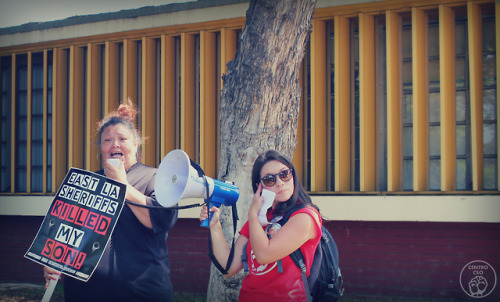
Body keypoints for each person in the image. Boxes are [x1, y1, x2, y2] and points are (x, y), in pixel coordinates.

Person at [44, 102, 178, 302]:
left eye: (122, 139)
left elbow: (161, 220)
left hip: (141, 293)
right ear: (101, 148)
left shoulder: (155, 178)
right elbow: (65, 230)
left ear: (136, 145)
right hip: (84, 293)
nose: (115, 144)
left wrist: (122, 186)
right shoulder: (86, 183)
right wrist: (51, 258)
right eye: (108, 140)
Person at [200, 150, 322, 301]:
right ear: (260, 186)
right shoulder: (261, 218)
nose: (280, 182)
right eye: (270, 179)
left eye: (284, 174)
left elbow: (264, 255)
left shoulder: (305, 216)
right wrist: (215, 225)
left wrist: (252, 214)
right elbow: (228, 267)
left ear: (293, 175)